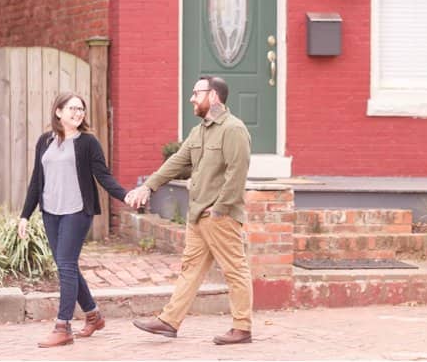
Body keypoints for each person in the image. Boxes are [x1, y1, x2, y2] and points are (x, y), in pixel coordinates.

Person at [126, 75, 253, 345]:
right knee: (190, 269)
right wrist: (148, 187)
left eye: (197, 93)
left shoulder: (234, 129)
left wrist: (220, 209)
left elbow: (236, 174)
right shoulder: (199, 132)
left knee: (234, 270)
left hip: (220, 216)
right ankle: (169, 321)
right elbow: (177, 162)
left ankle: (242, 327)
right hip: (197, 215)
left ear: (214, 96)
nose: (192, 98)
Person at [18, 92, 129, 348]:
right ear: (58, 111)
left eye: (81, 109)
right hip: (51, 212)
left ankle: (62, 326)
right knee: (67, 266)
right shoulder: (45, 141)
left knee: (66, 265)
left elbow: (103, 176)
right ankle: (93, 315)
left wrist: (126, 195)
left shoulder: (88, 142)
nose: (78, 113)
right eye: (72, 108)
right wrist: (25, 214)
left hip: (77, 211)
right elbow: (37, 179)